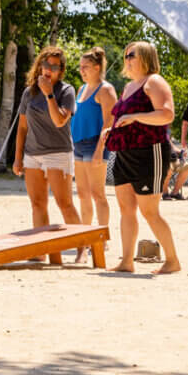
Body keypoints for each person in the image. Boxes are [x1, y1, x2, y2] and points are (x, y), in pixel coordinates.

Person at [104, 41, 180, 274]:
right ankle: (127, 262)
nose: (127, 59)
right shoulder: (129, 86)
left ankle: (172, 261)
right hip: (124, 153)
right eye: (126, 55)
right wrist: (112, 130)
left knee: (149, 211)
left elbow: (167, 114)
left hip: (149, 152)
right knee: (126, 210)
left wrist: (136, 116)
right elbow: (124, 118)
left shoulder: (154, 81)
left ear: (146, 57)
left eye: (132, 55)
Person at [13, 46, 82, 251]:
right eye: (46, 64)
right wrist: (18, 158)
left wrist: (49, 94)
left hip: (58, 153)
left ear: (61, 70)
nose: (49, 69)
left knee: (64, 203)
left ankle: (83, 247)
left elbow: (60, 121)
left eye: (54, 66)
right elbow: (22, 128)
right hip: (32, 155)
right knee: (37, 204)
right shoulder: (29, 92)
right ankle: (40, 249)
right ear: (39, 66)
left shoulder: (66, 91)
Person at [70, 47, 117, 242]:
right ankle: (86, 236)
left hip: (95, 144)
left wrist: (100, 149)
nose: (81, 70)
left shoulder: (105, 89)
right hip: (78, 145)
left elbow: (109, 122)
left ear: (97, 68)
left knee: (98, 194)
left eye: (86, 67)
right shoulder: (82, 89)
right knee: (82, 194)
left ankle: (101, 238)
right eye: (80, 67)